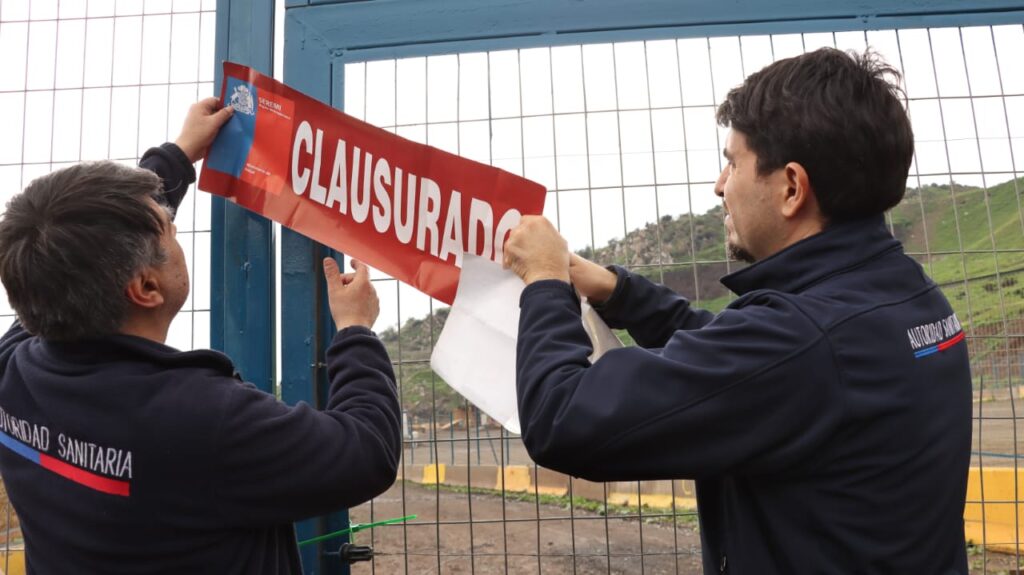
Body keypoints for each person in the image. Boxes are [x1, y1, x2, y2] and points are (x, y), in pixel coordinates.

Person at [504, 48, 971, 574]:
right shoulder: (905, 293)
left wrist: (544, 281)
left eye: (733, 162)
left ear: (791, 187)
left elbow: (562, 418)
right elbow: (752, 363)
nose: (720, 185)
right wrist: (621, 293)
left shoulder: (803, 341)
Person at [0, 98, 402, 573]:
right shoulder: (202, 418)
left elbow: (69, 258)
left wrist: (177, 156)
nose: (173, 229)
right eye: (168, 230)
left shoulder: (15, 370)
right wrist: (355, 330)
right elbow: (366, 452)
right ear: (146, 288)